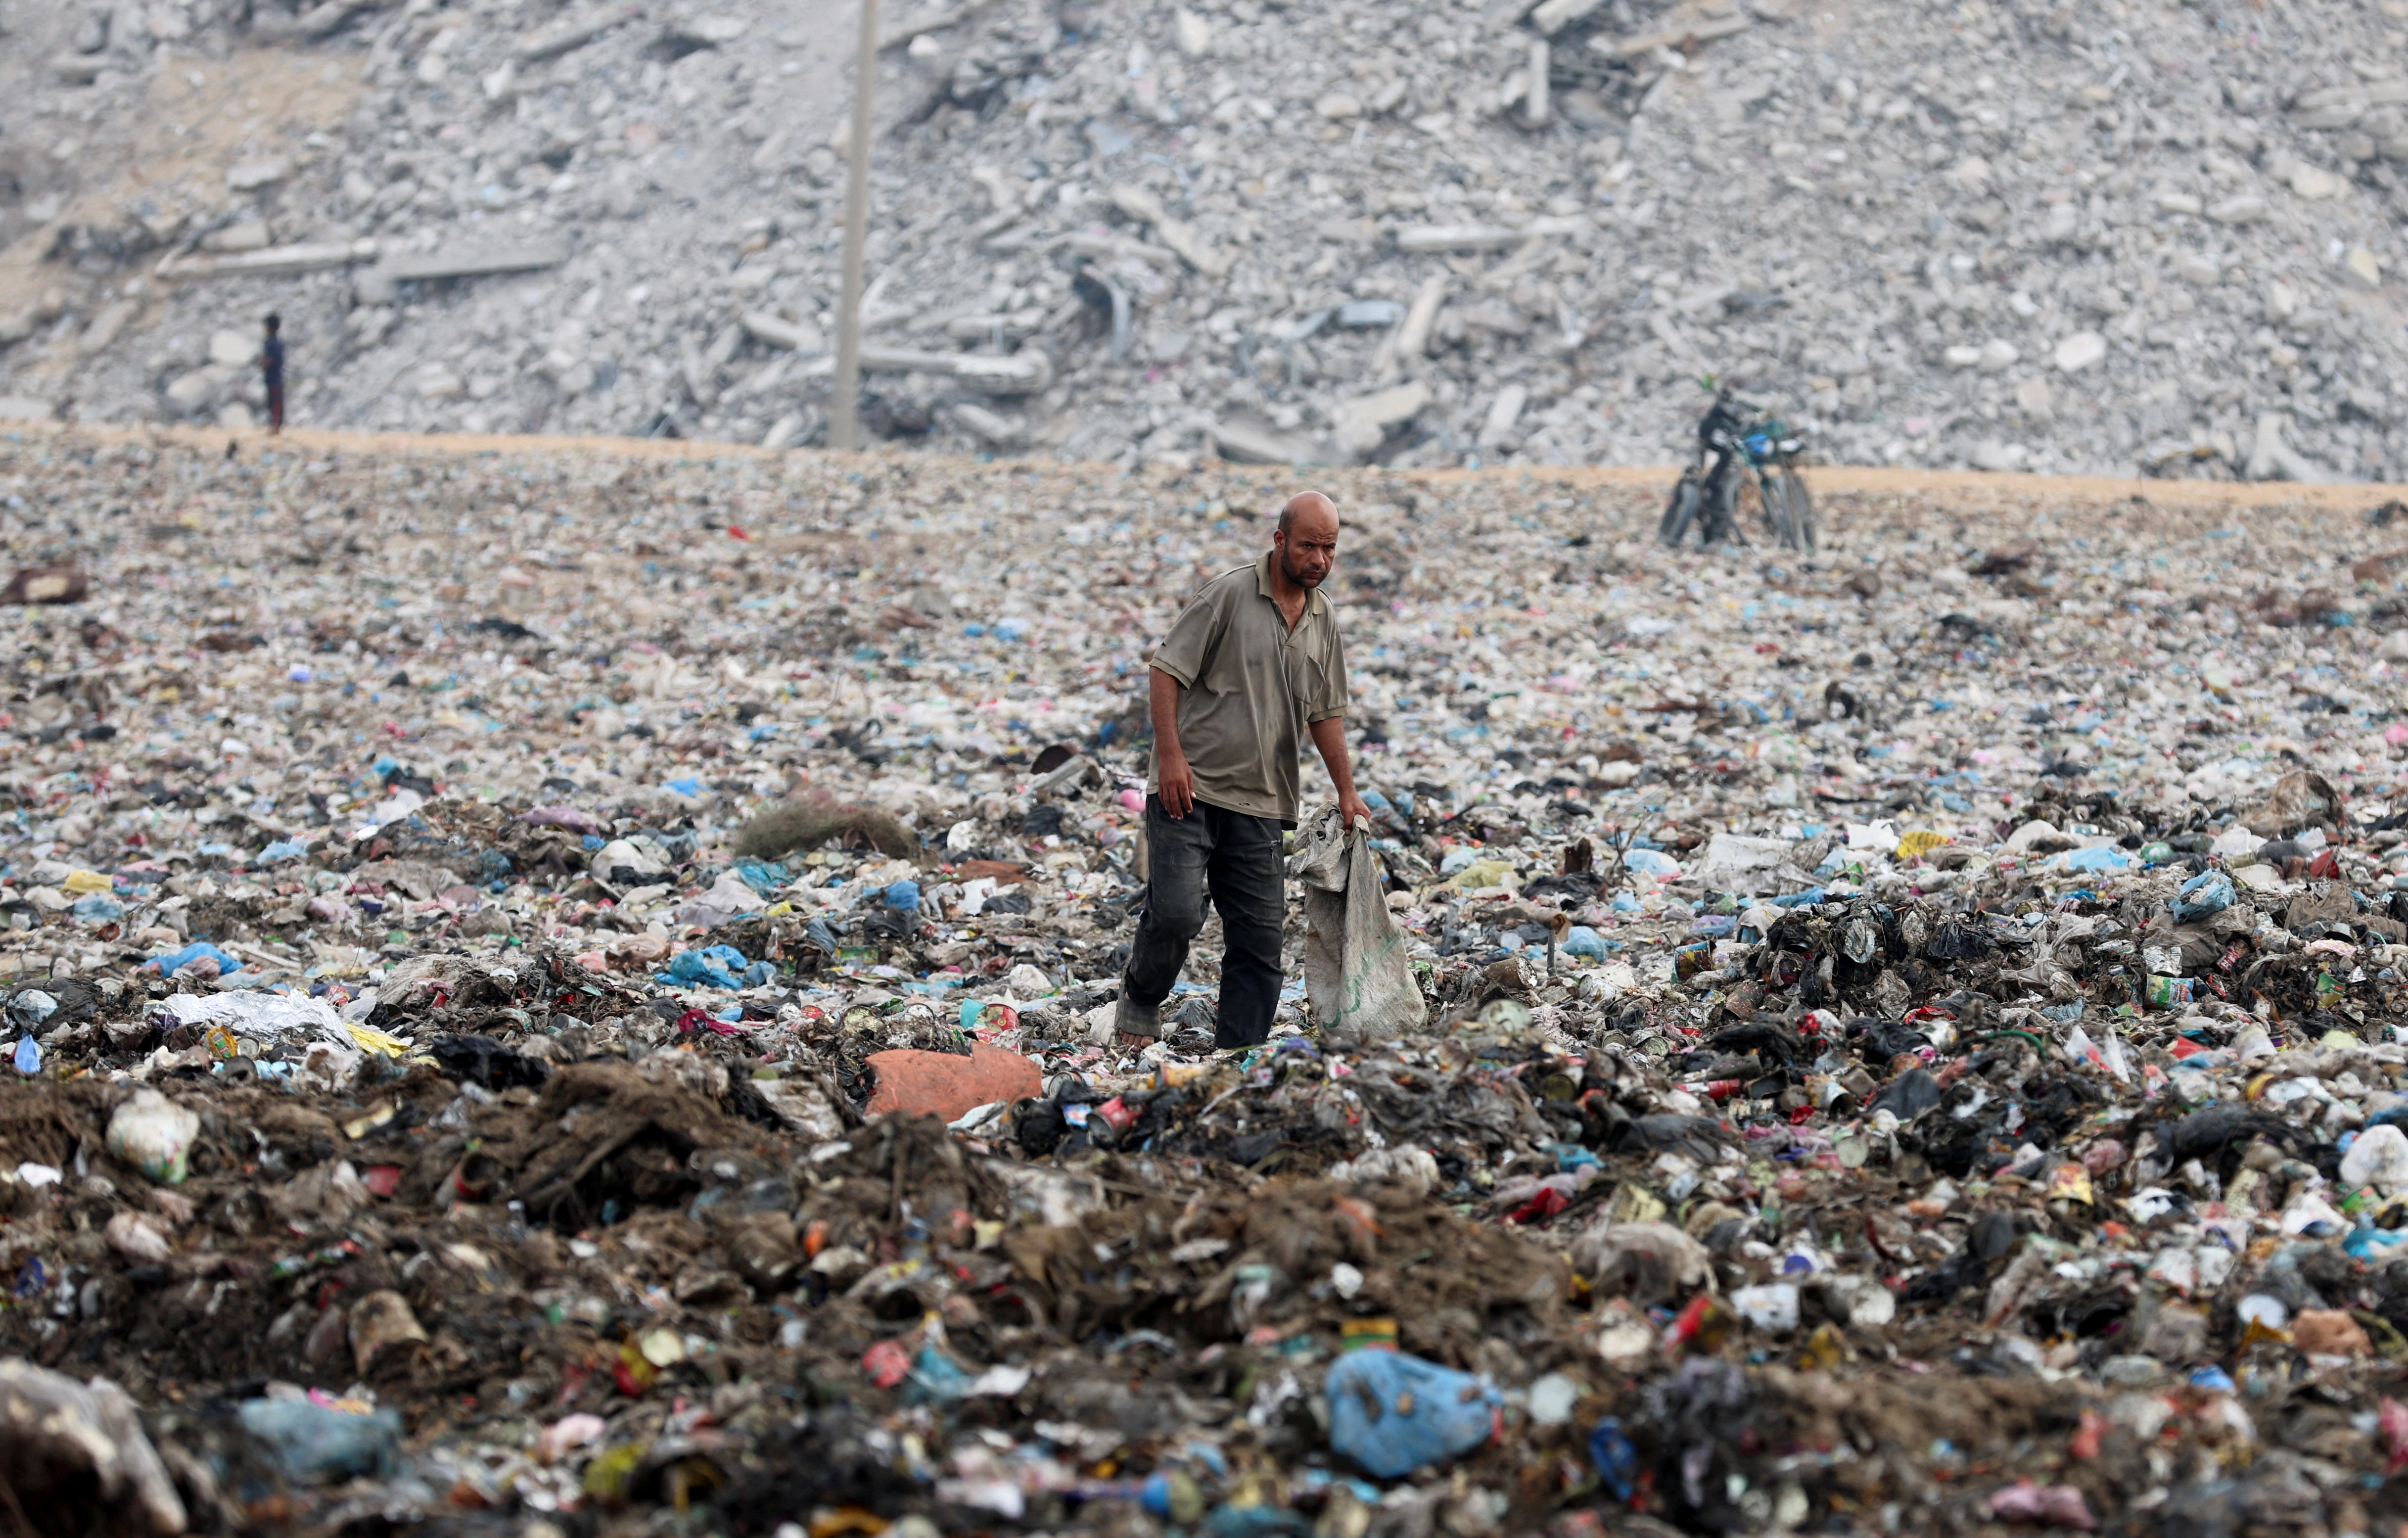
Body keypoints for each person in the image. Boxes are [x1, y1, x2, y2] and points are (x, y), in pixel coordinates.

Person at [1116, 491, 1370, 1050]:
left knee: (1258, 941)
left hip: (1261, 801)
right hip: (1191, 788)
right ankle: (1139, 996)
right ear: (1279, 541)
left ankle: (1239, 1054)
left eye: (1329, 549)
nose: (1319, 560)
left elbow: (1324, 713)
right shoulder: (1229, 595)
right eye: (1308, 546)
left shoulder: (1323, 619)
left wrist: (1347, 792)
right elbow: (1165, 672)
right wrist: (1170, 757)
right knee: (1178, 912)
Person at [261, 313, 285, 434]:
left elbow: (273, 359)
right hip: (274, 377)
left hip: (274, 377)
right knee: (273, 403)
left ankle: (275, 427)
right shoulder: (275, 342)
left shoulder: (272, 343)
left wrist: (264, 363)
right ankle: (274, 426)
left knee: (275, 403)